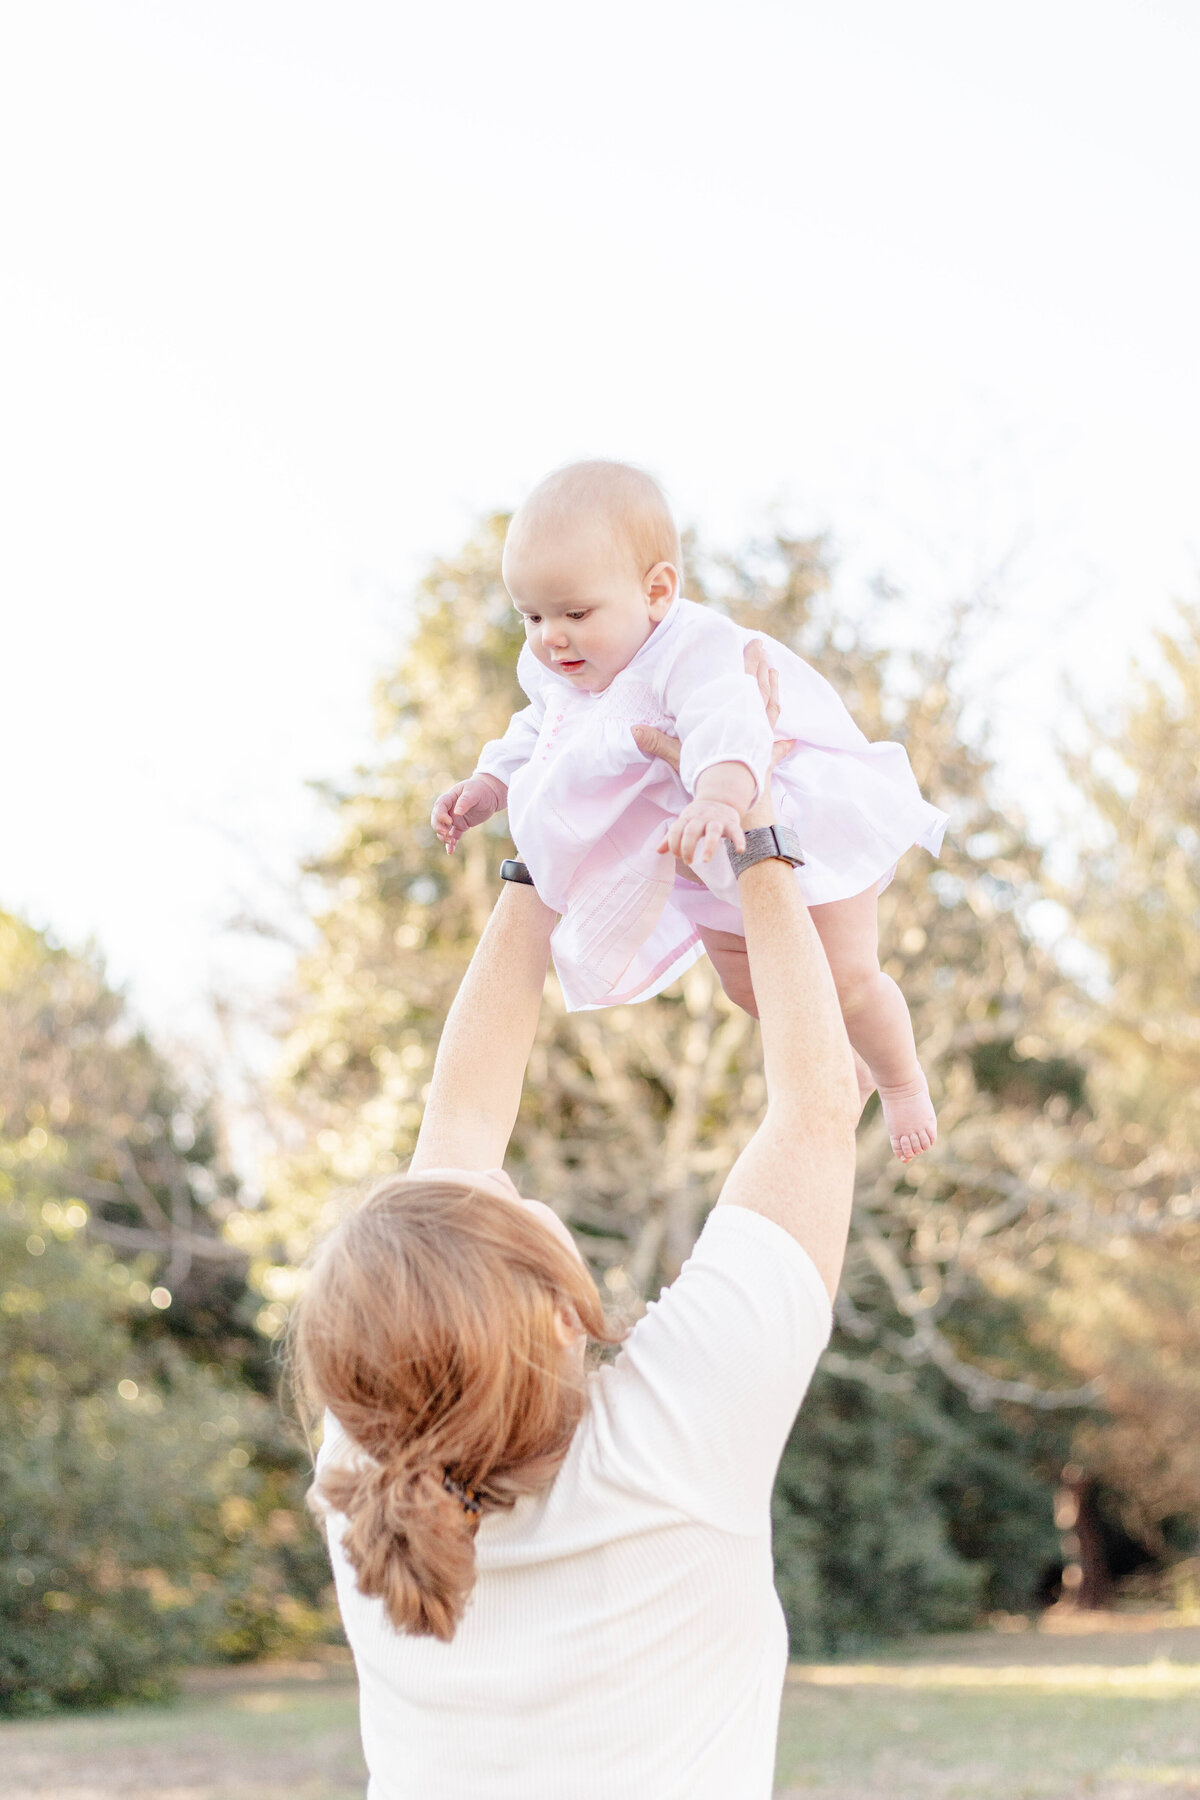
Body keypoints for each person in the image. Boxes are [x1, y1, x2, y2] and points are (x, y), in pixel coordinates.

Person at [292, 662, 860, 1799]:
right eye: (506, 1203)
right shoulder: (674, 1437)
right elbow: (816, 1102)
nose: (501, 1179)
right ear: (553, 1311)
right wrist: (751, 830)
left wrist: (552, 831)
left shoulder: (367, 1471)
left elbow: (459, 1117)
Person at [431, 460, 947, 1162]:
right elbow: (539, 736)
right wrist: (490, 783)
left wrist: (718, 795)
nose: (551, 637)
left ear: (657, 591)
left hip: (795, 825)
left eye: (575, 613)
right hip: (707, 856)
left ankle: (899, 1079)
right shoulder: (567, 676)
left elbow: (731, 720)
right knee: (746, 983)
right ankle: (838, 1061)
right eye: (532, 616)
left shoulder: (692, 647)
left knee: (848, 979)